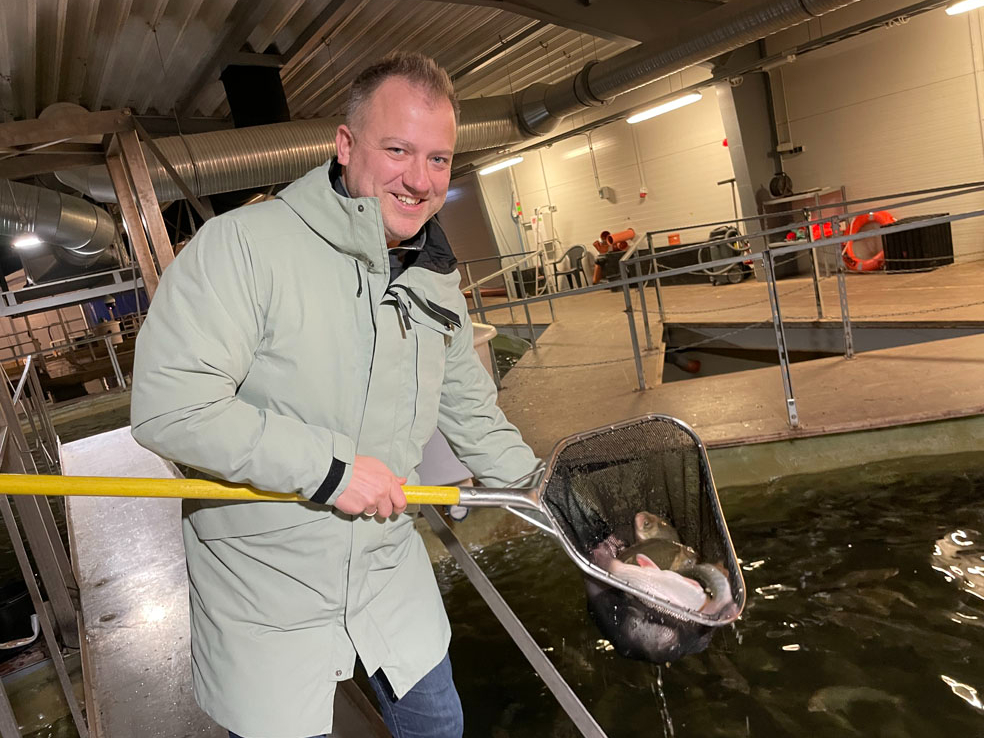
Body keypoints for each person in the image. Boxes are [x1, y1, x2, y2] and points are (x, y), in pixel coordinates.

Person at [129, 53, 538, 738]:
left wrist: (576, 519)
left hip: (388, 577)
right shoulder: (242, 247)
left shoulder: (435, 276)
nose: (420, 179)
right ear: (346, 146)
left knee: (439, 727)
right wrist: (330, 469)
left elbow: (471, 412)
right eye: (398, 149)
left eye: (438, 159)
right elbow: (172, 406)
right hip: (267, 596)